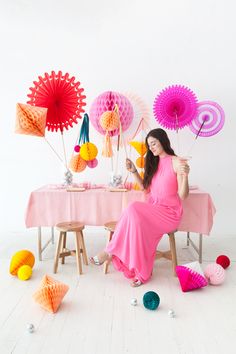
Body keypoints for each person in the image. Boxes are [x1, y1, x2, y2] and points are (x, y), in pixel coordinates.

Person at [90, 128, 190, 286]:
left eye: (154, 143)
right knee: (135, 222)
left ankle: (109, 251)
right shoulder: (154, 162)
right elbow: (146, 189)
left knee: (133, 207)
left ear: (163, 141)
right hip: (154, 210)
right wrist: (134, 171)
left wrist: (185, 176)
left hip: (169, 214)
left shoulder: (176, 161)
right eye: (149, 145)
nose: (152, 148)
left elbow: (183, 195)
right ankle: (142, 272)